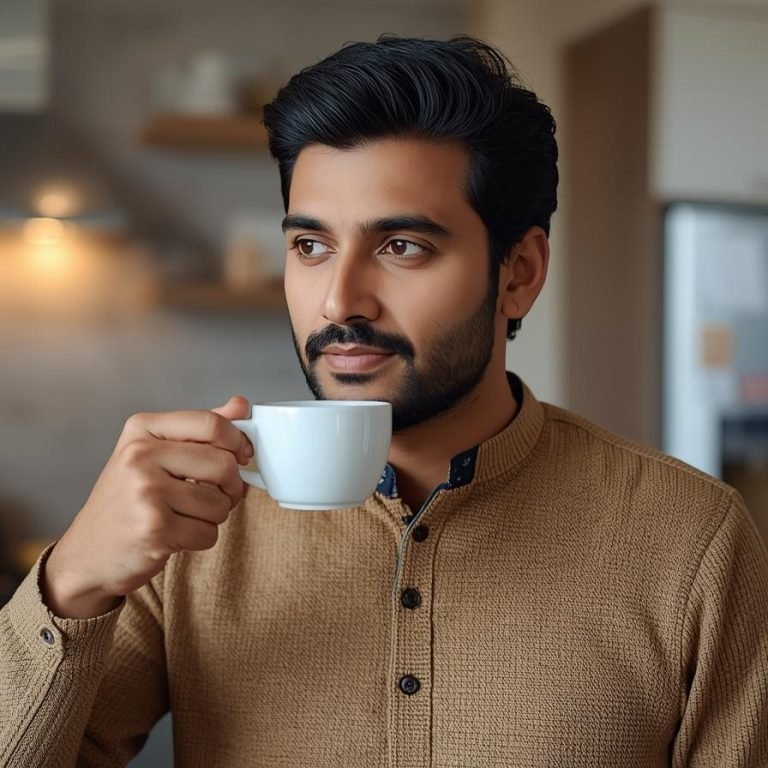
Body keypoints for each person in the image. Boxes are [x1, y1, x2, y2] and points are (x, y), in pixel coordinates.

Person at [1, 34, 767, 768]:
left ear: (520, 272)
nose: (339, 300)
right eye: (310, 245)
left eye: (403, 247)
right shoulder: (195, 528)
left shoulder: (691, 542)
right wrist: (71, 583)